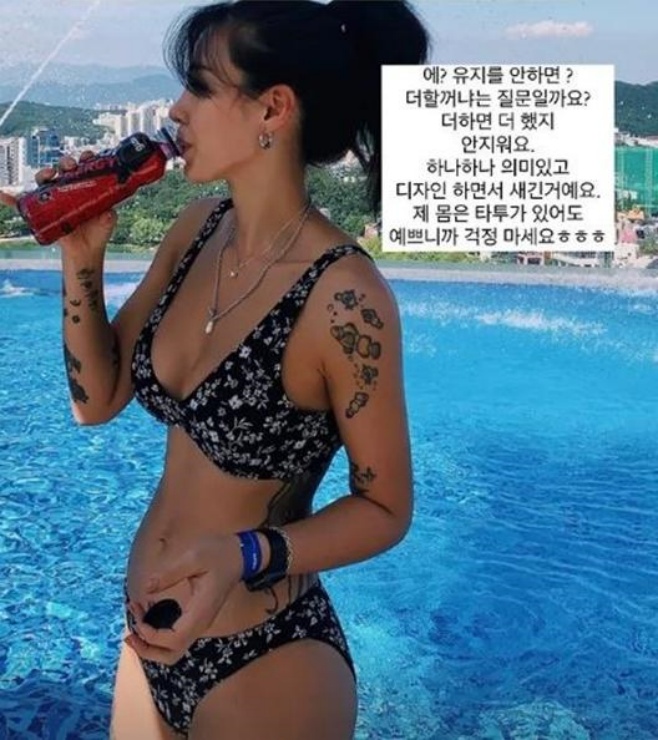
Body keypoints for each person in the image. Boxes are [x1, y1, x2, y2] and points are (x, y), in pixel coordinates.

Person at [1, 1, 429, 737]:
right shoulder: (197, 231)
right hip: (152, 643)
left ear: (273, 108)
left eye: (199, 87)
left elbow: (387, 509)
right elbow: (96, 400)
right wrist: (82, 255)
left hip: (267, 663)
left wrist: (245, 553)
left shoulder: (344, 299)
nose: (176, 110)